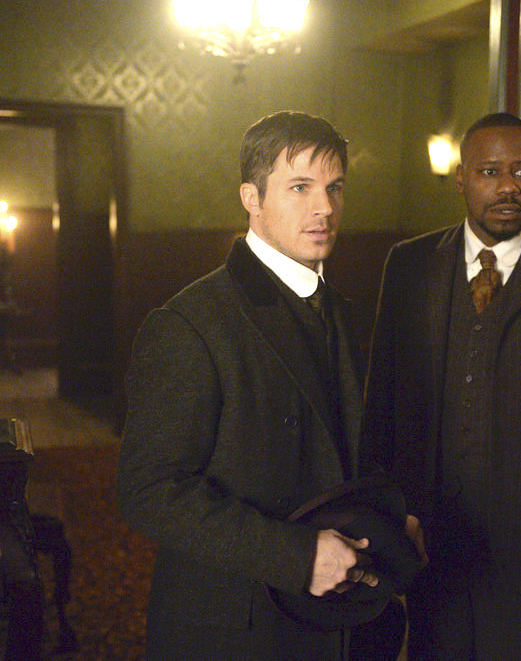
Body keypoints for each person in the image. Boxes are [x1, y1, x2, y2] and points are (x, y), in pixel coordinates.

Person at [118, 110, 385, 659]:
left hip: (338, 621)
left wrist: (392, 522)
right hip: (235, 628)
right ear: (251, 198)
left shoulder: (340, 309)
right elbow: (148, 492)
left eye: (335, 188)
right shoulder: (189, 323)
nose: (324, 207)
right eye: (300, 187)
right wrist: (297, 557)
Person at [363, 112, 521, 658]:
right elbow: (380, 409)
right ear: (461, 179)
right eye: (490, 172)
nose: (509, 186)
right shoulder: (409, 265)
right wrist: (380, 527)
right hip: (430, 551)